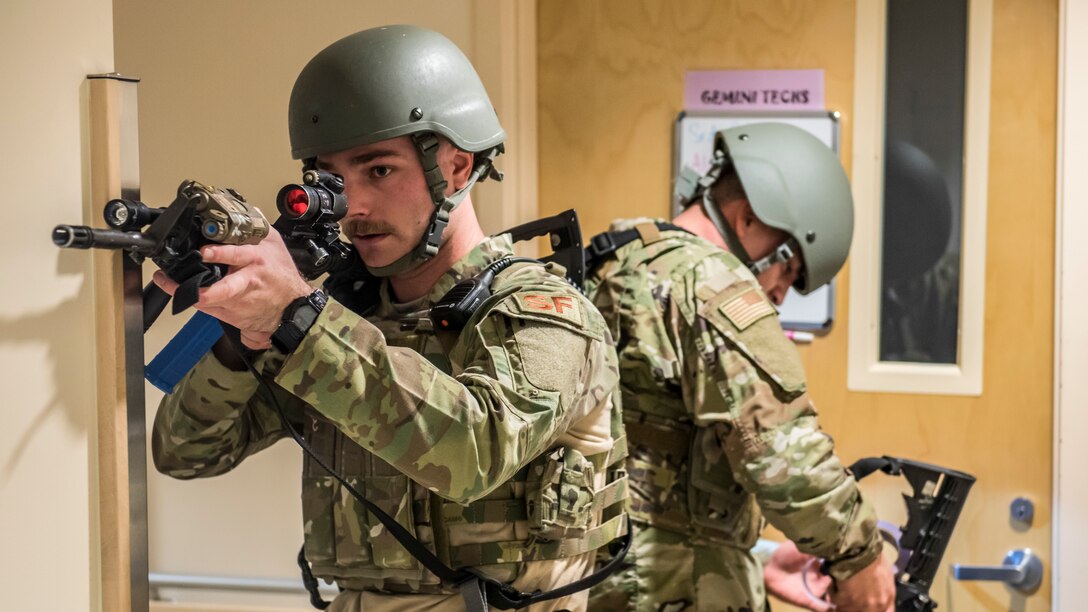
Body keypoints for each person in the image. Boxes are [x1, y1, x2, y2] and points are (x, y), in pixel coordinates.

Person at [150, 25, 627, 612]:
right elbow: (186, 452)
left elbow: (471, 453)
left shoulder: (541, 311)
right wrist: (243, 334)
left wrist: (296, 316)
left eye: (378, 170)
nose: (357, 206)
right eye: (332, 180)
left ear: (455, 166)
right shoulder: (344, 320)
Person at [584, 123, 895, 611]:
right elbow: (783, 455)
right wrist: (862, 557)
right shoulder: (713, 283)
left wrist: (765, 556)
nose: (779, 293)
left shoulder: (618, 258)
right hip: (670, 582)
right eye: (787, 267)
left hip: (607, 567)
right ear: (748, 217)